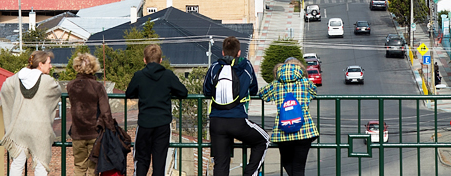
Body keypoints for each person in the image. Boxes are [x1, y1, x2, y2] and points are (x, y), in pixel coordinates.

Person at [202, 36, 267, 176]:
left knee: (221, 162)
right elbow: (254, 89)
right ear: (239, 53)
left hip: (216, 121)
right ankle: (250, 173)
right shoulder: (246, 66)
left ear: (223, 52)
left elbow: (206, 90)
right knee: (264, 140)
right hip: (238, 120)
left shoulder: (214, 67)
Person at [126, 44, 191, 176]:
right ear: (160, 60)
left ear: (145, 60)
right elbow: (183, 92)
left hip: (145, 123)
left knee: (142, 161)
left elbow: (129, 93)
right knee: (159, 164)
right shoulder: (168, 75)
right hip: (162, 124)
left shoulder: (139, 76)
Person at [0, 50, 63, 176]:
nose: (50, 66)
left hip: (19, 126)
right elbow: (58, 91)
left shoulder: (18, 77)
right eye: (49, 63)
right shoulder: (47, 81)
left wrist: (16, 103)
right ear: (40, 64)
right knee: (41, 163)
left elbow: (5, 88)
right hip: (39, 129)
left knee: (17, 163)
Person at [260, 58, 319, 176]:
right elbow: (314, 92)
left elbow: (262, 94)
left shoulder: (276, 84)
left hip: (283, 131)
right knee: (299, 167)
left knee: (287, 163)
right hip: (304, 130)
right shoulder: (305, 82)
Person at [66, 53, 113, 176]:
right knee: (94, 168)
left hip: (77, 132)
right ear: (94, 67)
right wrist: (111, 130)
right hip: (94, 133)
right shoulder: (97, 86)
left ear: (76, 66)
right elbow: (105, 111)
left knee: (79, 167)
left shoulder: (71, 85)